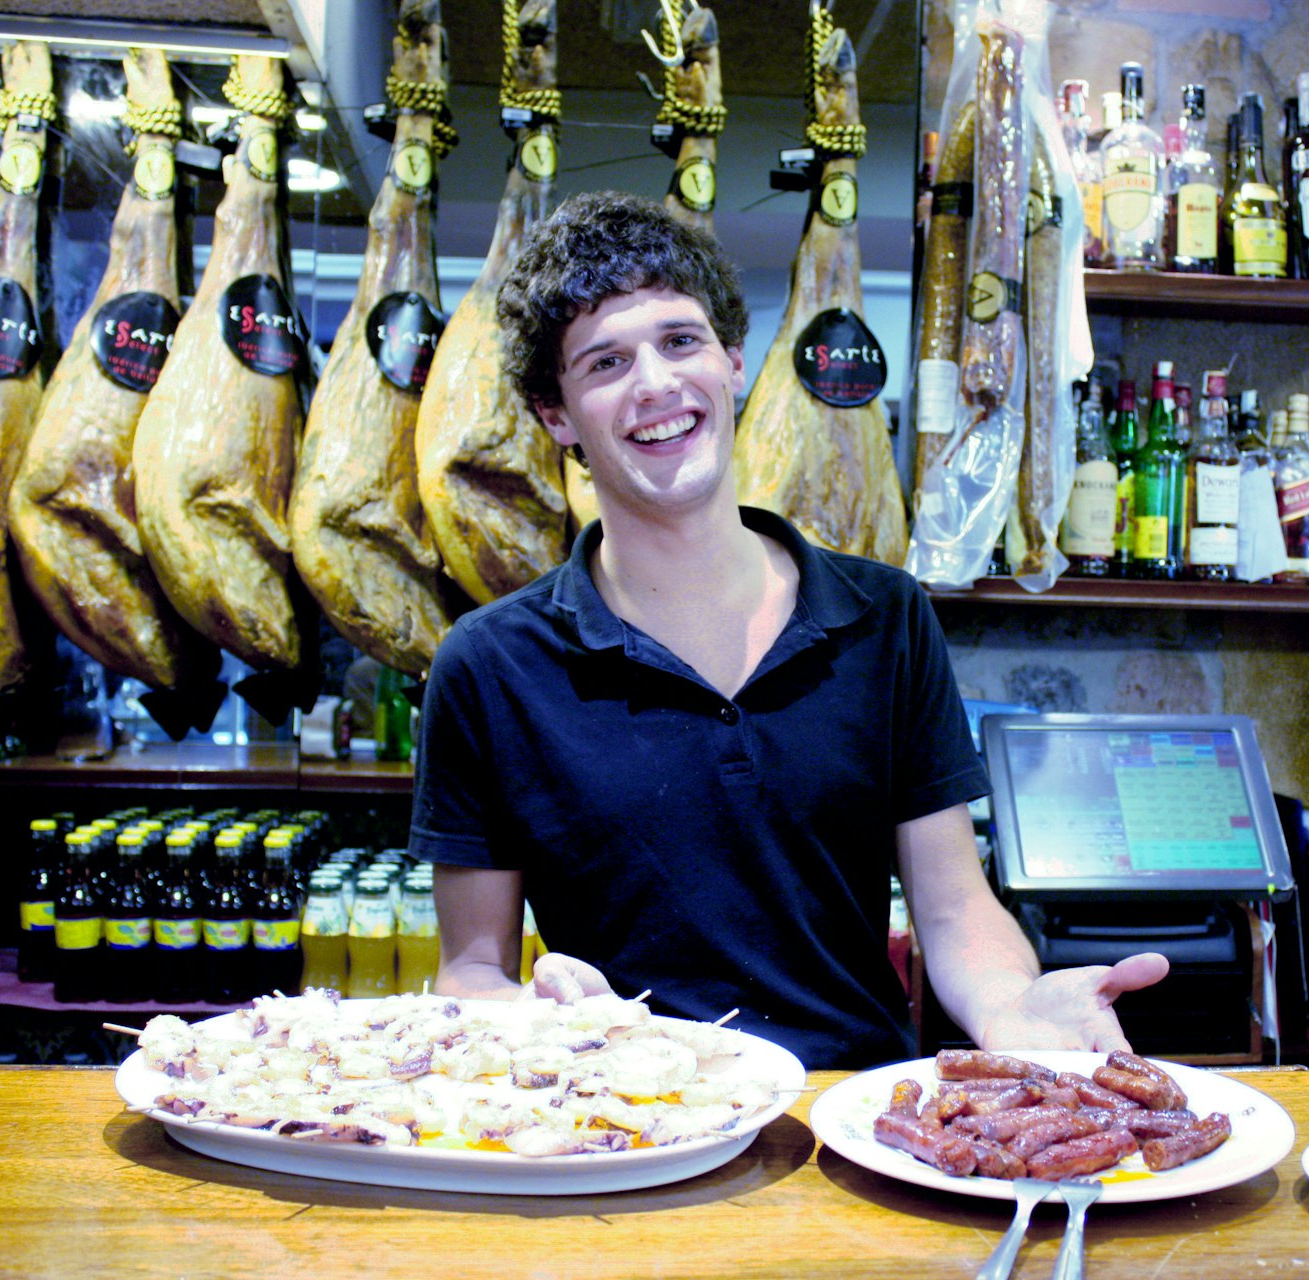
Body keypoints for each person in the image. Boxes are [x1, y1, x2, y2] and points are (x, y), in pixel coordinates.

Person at [408, 191, 1167, 1068]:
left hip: (854, 1116)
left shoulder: (884, 620)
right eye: (605, 363)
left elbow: (954, 910)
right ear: (555, 415)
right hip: (633, 1123)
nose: (655, 383)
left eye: (680, 341)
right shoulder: (491, 664)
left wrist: (1013, 1013)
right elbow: (470, 971)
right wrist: (540, 1022)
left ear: (733, 362)